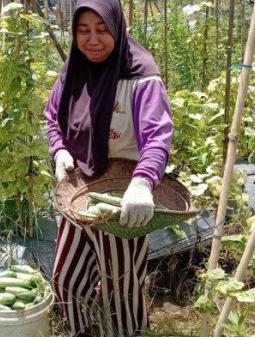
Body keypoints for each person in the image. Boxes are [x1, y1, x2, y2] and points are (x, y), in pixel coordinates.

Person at [44, 0, 174, 336]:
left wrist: (143, 183)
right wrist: (59, 151)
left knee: (120, 284)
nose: (93, 40)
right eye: (83, 31)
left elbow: (157, 135)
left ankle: (125, 331)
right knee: (66, 278)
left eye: (102, 30)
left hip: (122, 194)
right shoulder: (74, 68)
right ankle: (83, 330)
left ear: (117, 26)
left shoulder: (141, 74)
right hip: (80, 193)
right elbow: (52, 116)